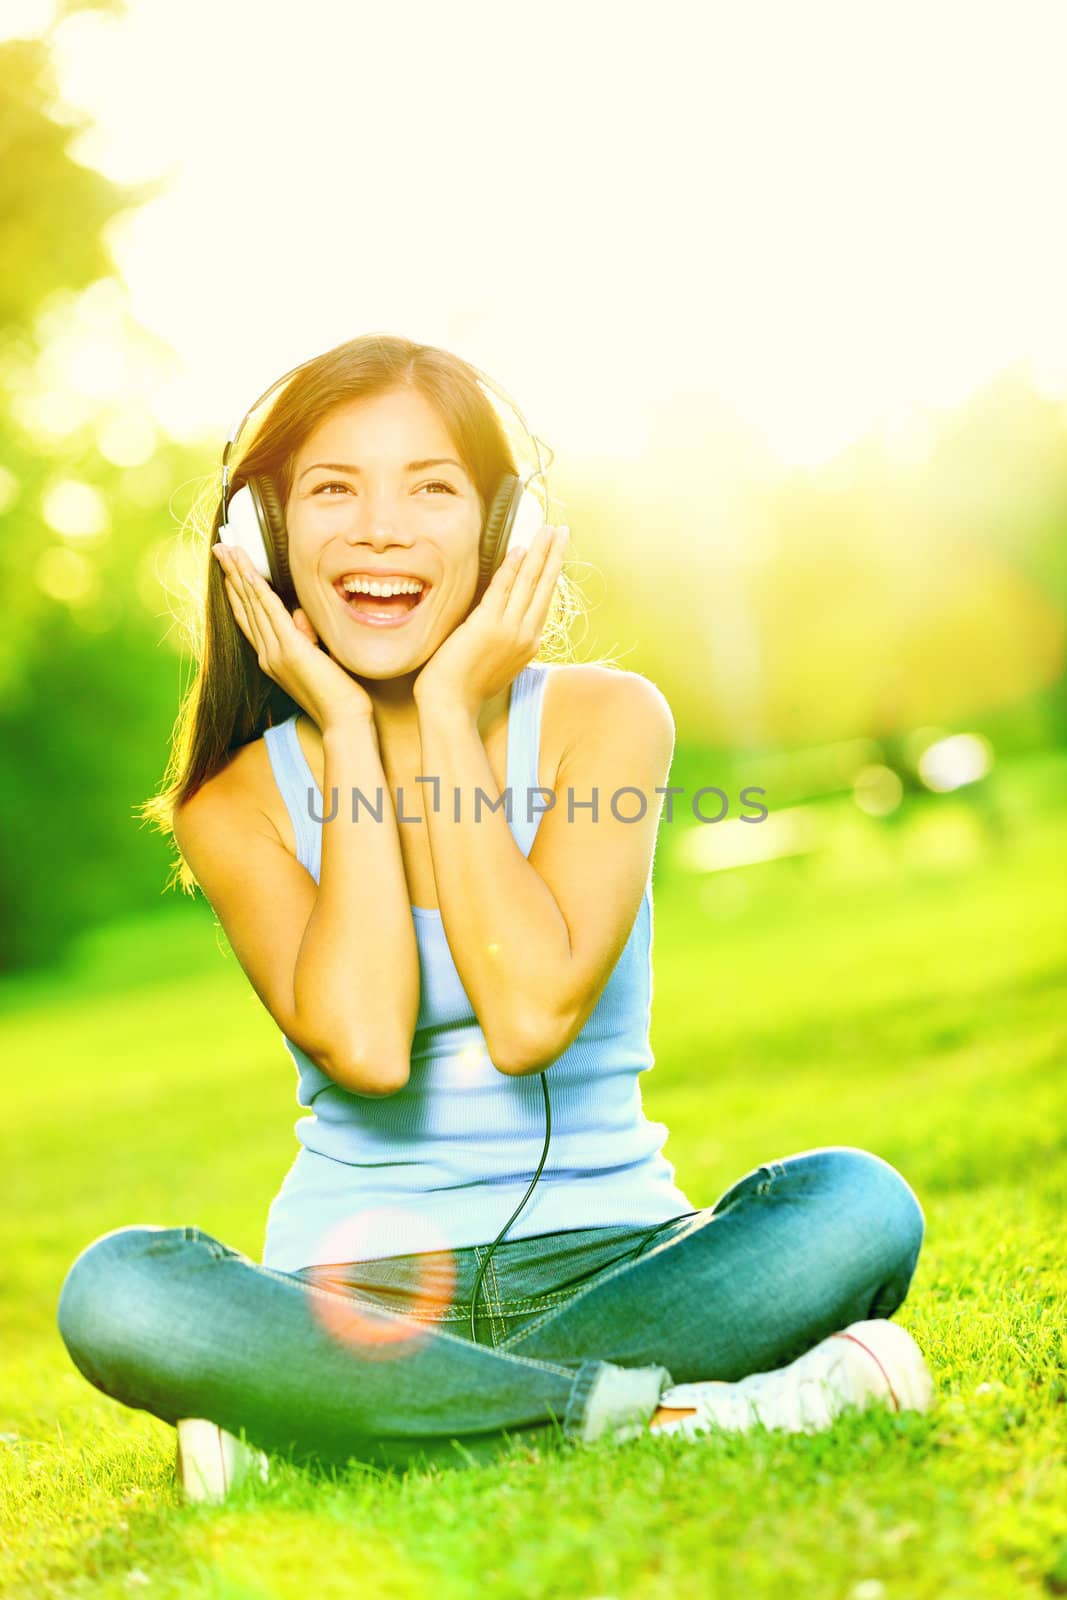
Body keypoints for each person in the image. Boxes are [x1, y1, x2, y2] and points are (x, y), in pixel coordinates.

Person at [56, 333, 934, 1502]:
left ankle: (326, 1437)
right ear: (270, 538)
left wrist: (448, 711)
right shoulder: (237, 799)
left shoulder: (604, 722)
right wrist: (353, 732)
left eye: (430, 487)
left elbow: (526, 1015)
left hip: (622, 1261)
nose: (380, 528)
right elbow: (365, 1047)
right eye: (333, 489)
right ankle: (660, 1416)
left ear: (498, 530)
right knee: (118, 1287)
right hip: (345, 1296)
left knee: (854, 1203)